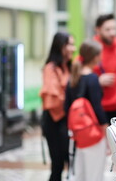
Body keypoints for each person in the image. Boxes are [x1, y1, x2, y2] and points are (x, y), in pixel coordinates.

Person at [64, 40, 108, 181]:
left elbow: (67, 107)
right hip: (93, 132)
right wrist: (106, 131)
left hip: (79, 133)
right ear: (95, 57)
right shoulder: (92, 79)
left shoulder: (73, 78)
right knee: (95, 174)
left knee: (80, 174)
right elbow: (97, 108)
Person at [40, 32, 76, 181]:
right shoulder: (51, 68)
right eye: (70, 44)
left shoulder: (69, 66)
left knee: (72, 162)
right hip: (55, 121)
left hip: (69, 119)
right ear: (61, 47)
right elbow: (52, 98)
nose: (73, 48)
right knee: (58, 164)